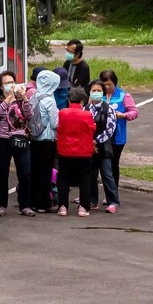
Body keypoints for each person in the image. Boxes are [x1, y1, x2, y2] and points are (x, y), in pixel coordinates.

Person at [0, 70, 34, 217]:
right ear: (1, 87)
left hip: (20, 138)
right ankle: (2, 205)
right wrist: (9, 98)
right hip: (2, 140)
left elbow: (30, 115)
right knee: (2, 173)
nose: (10, 85)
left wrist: (25, 100)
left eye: (11, 82)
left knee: (25, 172)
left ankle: (25, 205)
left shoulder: (21, 98)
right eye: (6, 83)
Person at [55, 87, 96, 217]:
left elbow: (58, 127)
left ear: (68, 99)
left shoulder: (62, 113)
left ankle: (62, 207)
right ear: (83, 101)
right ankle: (83, 207)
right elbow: (92, 128)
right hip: (83, 151)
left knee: (63, 178)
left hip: (65, 150)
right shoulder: (87, 115)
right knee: (85, 178)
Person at [100, 69, 139, 192]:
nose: (107, 87)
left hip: (117, 137)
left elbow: (134, 112)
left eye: (109, 84)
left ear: (115, 83)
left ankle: (113, 193)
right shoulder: (97, 93)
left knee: (113, 164)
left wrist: (123, 115)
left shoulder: (124, 96)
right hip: (100, 136)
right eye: (104, 84)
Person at [29, 69, 60, 213]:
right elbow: (55, 123)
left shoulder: (34, 96)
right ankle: (44, 203)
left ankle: (33, 202)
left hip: (34, 138)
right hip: (47, 139)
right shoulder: (49, 100)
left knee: (35, 170)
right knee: (45, 172)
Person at [85, 79, 119, 213]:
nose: (96, 93)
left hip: (104, 148)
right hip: (89, 148)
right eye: (94, 90)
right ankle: (93, 201)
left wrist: (96, 141)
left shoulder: (108, 109)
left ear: (103, 93)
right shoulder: (85, 109)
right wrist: (89, 141)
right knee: (91, 175)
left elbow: (110, 129)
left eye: (99, 90)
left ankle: (113, 202)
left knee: (107, 175)